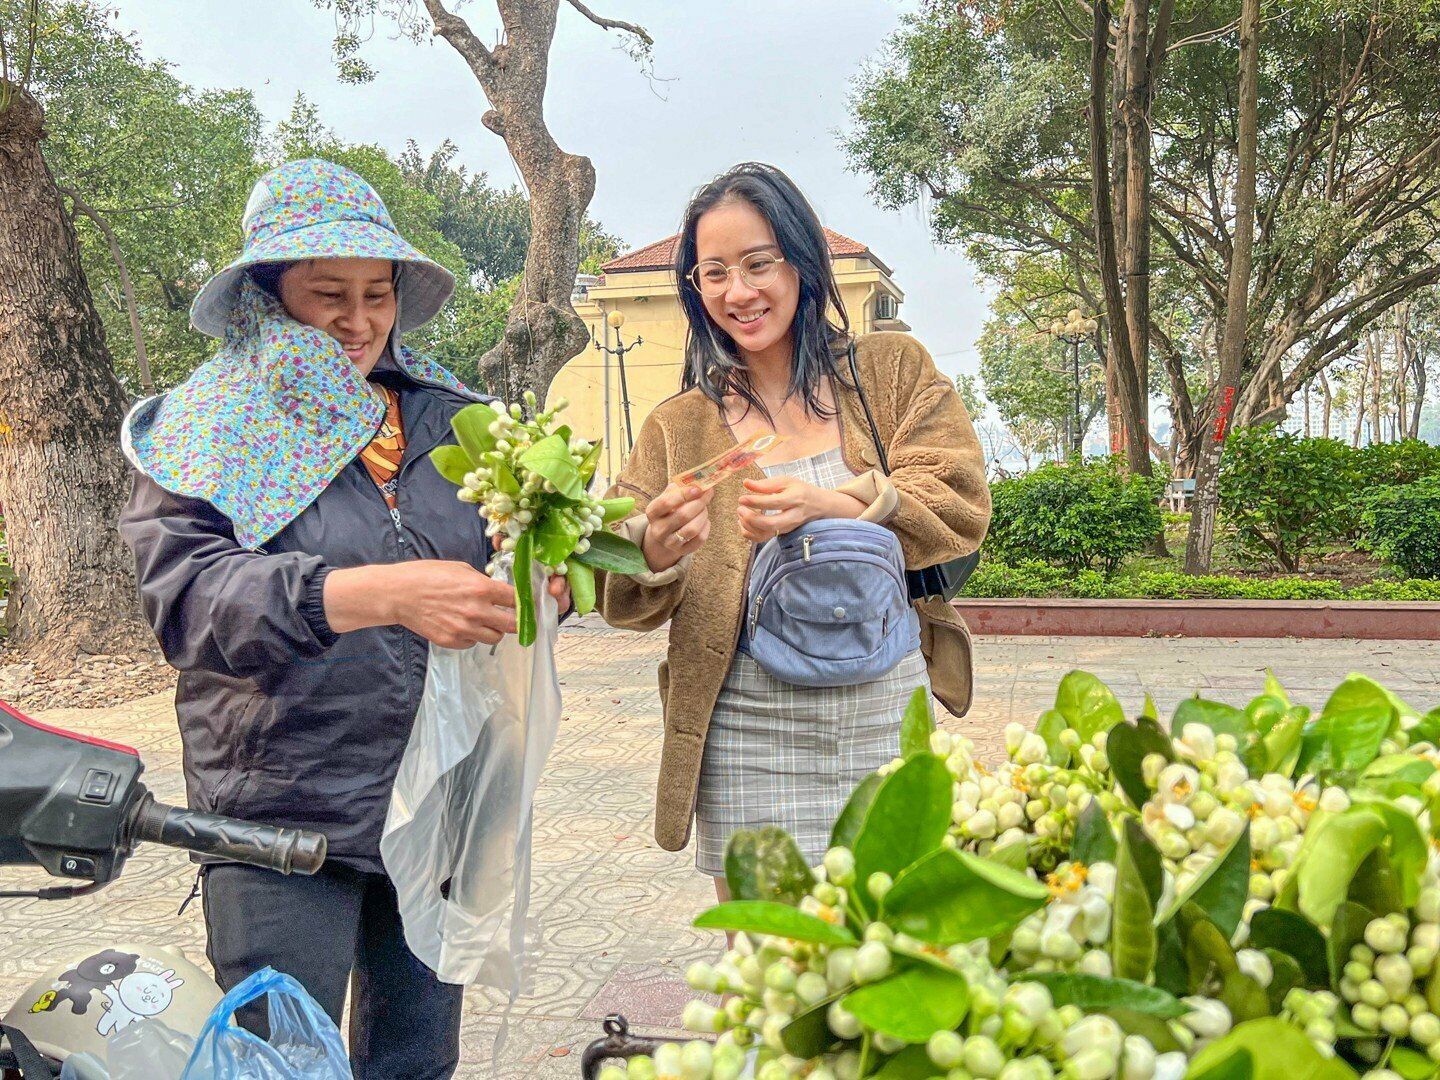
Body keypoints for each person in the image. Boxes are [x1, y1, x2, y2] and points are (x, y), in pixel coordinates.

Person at [117, 158, 566, 1079]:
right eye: (328, 293)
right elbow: (189, 601)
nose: (358, 322)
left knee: (413, 1061)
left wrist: (550, 582)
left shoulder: (453, 421)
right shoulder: (206, 428)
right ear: (265, 295)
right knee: (285, 1062)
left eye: (377, 294)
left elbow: (528, 549)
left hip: (438, 800)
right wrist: (382, 594)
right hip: (281, 810)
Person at [595, 162, 990, 894]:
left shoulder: (890, 371)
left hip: (883, 703)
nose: (737, 293)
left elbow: (958, 498)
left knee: (886, 952)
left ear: (802, 263)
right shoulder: (678, 425)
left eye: (757, 264)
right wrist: (653, 548)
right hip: (747, 719)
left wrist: (834, 504)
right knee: (769, 970)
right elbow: (616, 582)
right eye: (713, 274)